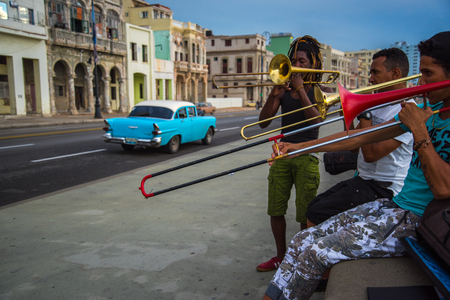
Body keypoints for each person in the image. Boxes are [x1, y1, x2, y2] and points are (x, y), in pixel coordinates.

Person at [263, 31, 450, 300]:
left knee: (317, 251)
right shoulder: (429, 113)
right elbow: (359, 138)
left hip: (418, 220)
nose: (421, 82)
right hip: (397, 207)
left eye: (429, 74)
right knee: (302, 240)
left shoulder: (424, 118)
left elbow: (444, 188)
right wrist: (297, 147)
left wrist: (419, 130)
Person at [306, 48, 414, 228]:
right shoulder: (380, 103)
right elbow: (354, 147)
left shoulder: (406, 110)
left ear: (396, 73)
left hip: (384, 189)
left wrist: (365, 113)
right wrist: (348, 113)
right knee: (313, 206)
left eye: (375, 72)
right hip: (365, 180)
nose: (371, 79)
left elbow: (371, 154)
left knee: (316, 214)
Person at [256, 36, 333, 272]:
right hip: (282, 154)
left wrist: (301, 90)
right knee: (276, 209)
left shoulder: (319, 91)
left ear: (312, 64)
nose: (295, 65)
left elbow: (316, 119)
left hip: (307, 155)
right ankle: (280, 256)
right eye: (293, 60)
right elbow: (262, 123)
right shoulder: (284, 90)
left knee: (304, 212)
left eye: (301, 61)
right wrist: (274, 94)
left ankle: (298, 259)